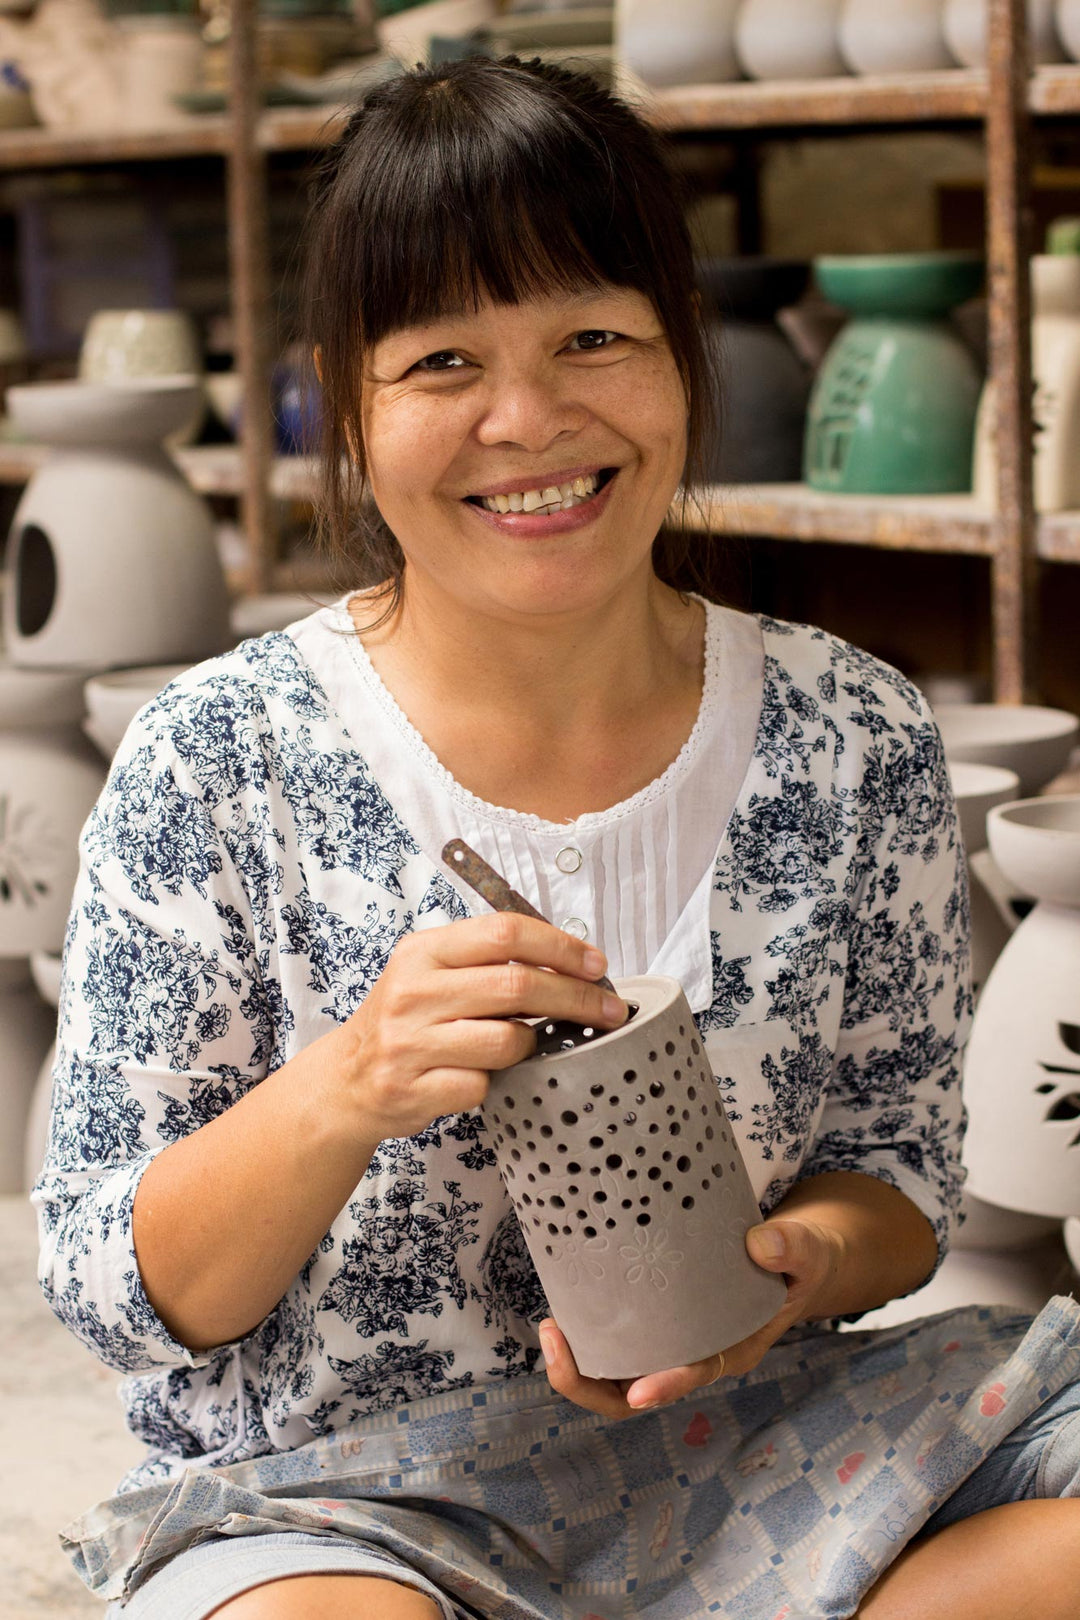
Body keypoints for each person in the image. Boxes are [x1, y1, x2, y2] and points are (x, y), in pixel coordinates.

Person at [34, 54, 1080, 1620]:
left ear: (682, 358)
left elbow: (903, 1176)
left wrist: (796, 1267)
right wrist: (347, 1085)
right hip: (354, 1499)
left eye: (593, 338)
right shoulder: (218, 760)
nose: (529, 422)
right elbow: (126, 1292)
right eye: (445, 360)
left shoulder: (851, 732)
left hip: (773, 1448)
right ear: (352, 395)